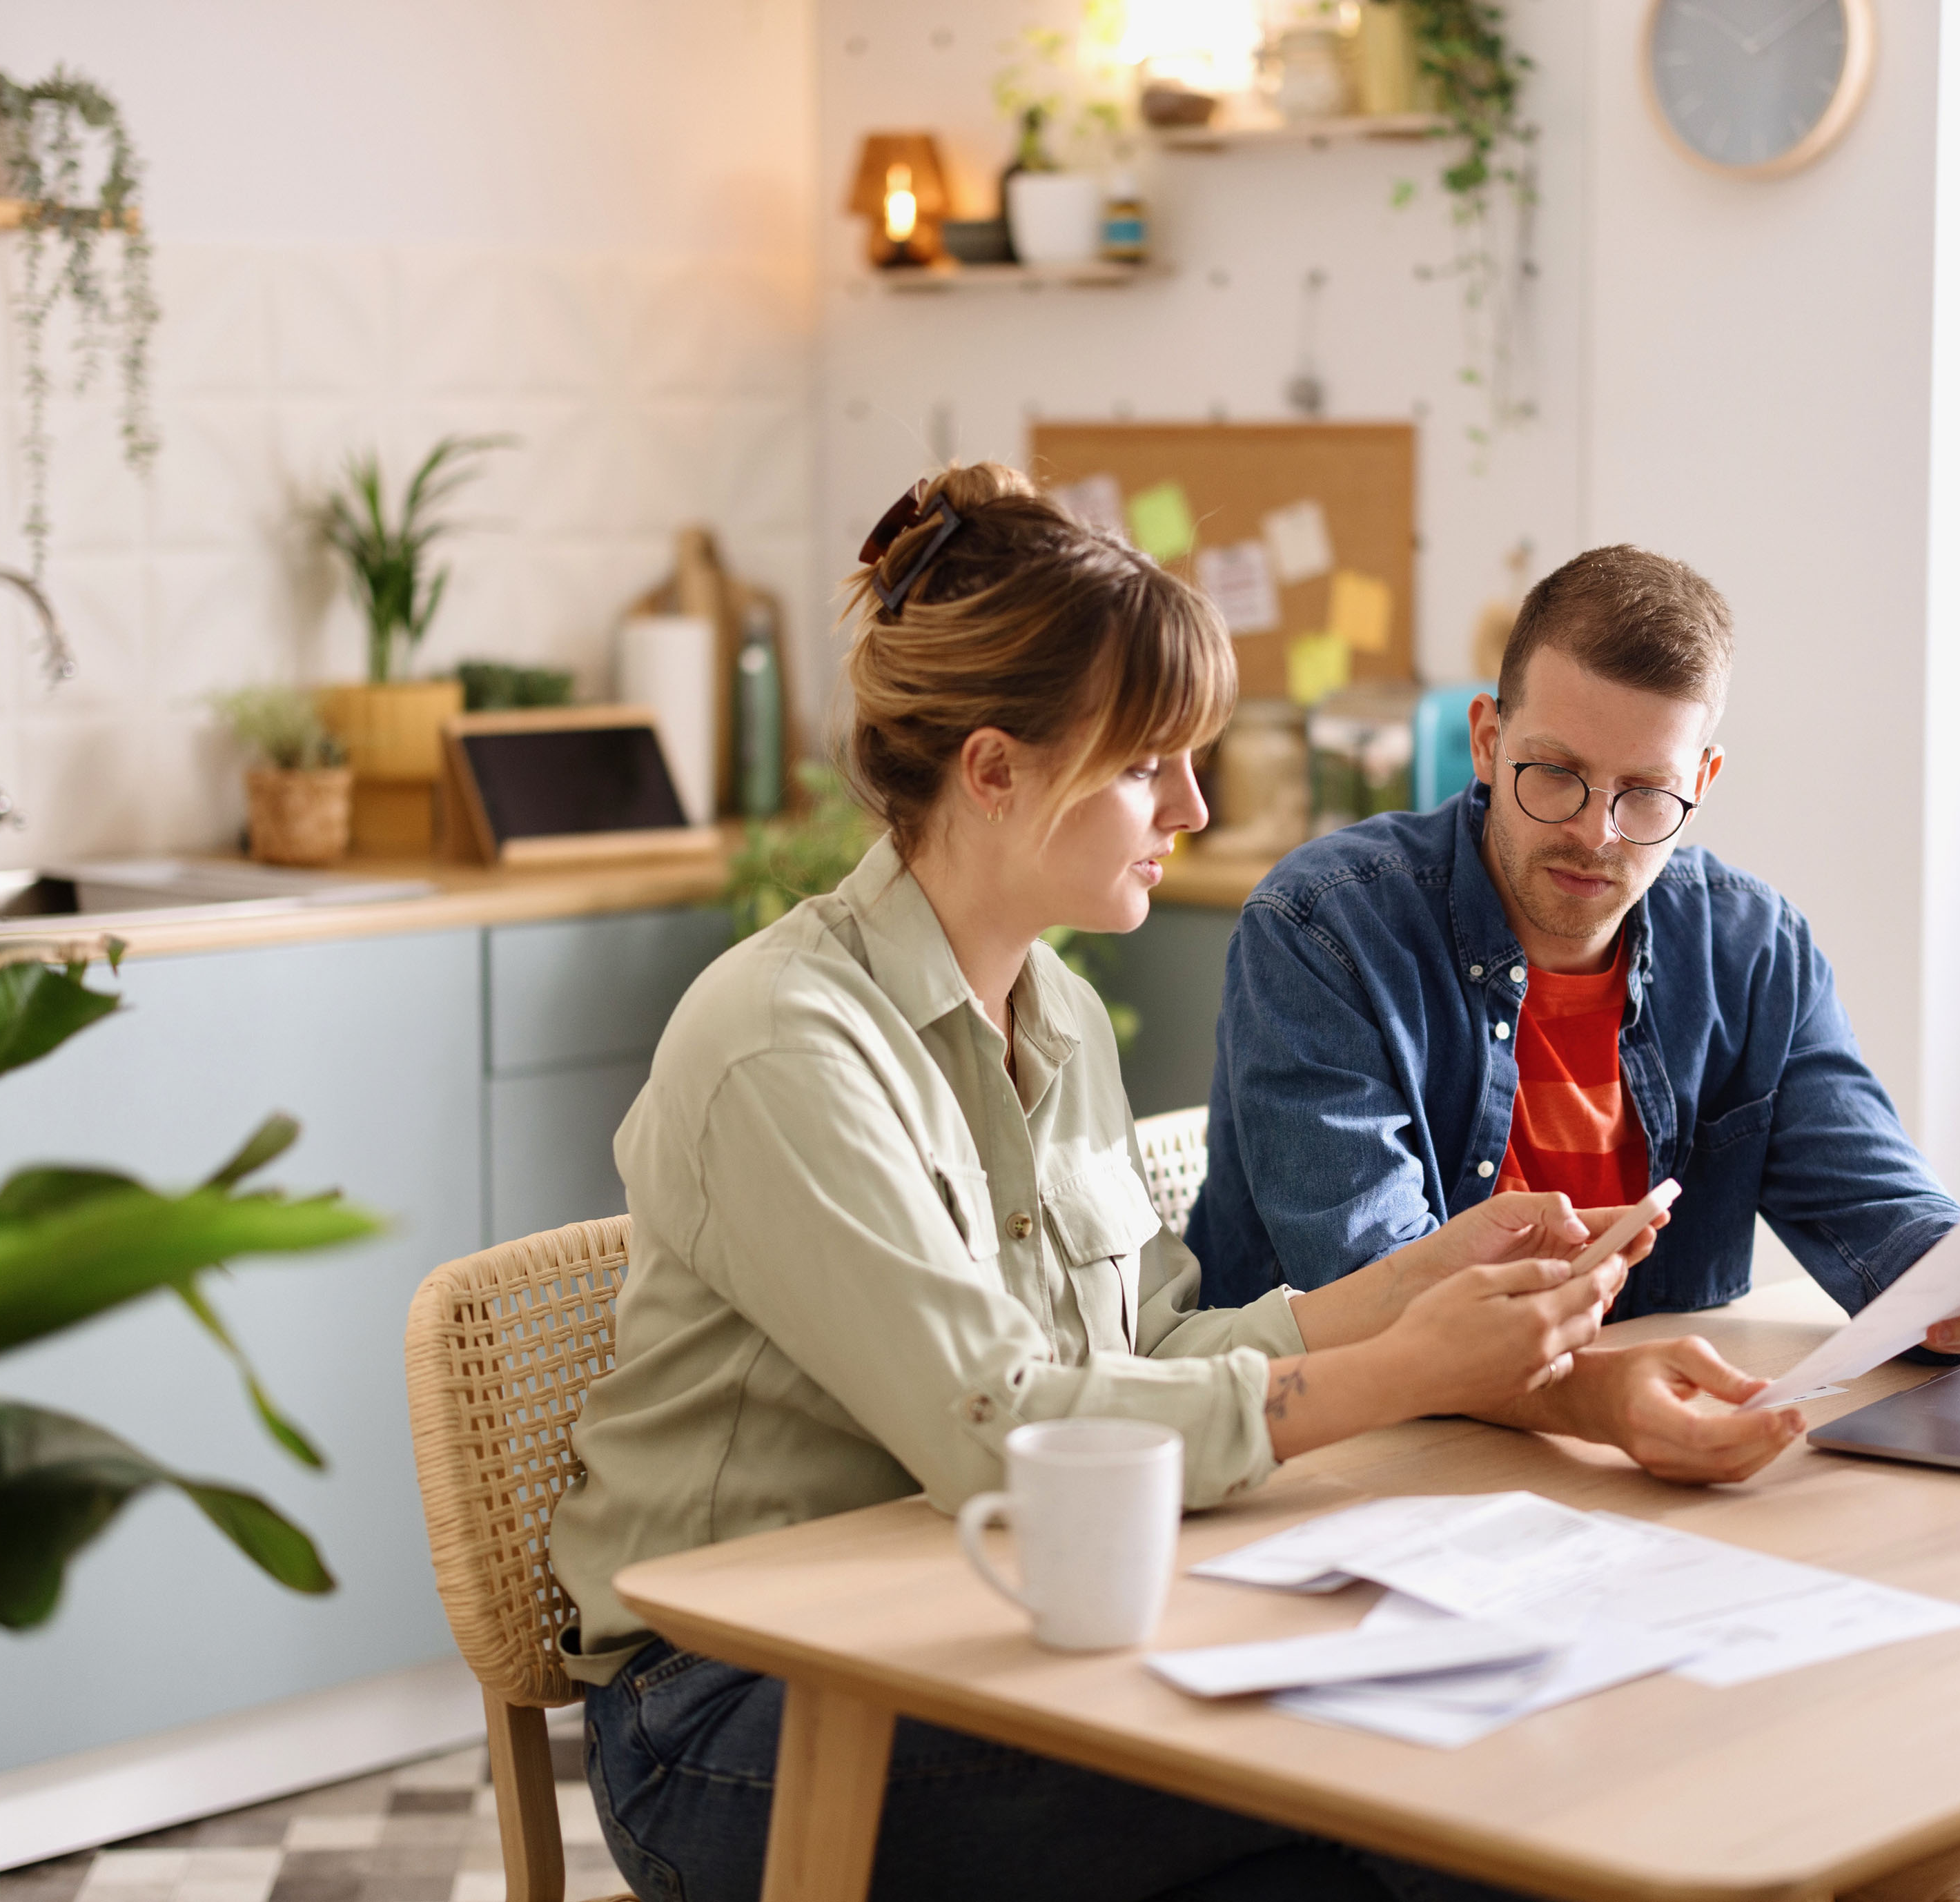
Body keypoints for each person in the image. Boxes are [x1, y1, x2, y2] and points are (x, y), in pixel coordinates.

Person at [549, 464, 1666, 1902]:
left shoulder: (1060, 1015)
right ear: (996, 769)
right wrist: (1401, 1375)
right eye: (1149, 762)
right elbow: (1003, 1427)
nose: (1192, 804)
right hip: (739, 1710)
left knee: (1393, 1829)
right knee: (1402, 1797)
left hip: (981, 1612)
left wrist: (1405, 1288)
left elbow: (1133, 1358)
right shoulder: (781, 1042)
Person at [1188, 545, 1960, 1483]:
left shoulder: (1751, 949)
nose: (1594, 832)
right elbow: (1371, 1293)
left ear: (1703, 780)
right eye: (1554, 774)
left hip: (1625, 1466)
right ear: (1487, 740)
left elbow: (1880, 1212)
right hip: (1335, 1465)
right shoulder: (1323, 927)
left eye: (1645, 793)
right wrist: (1596, 1399)